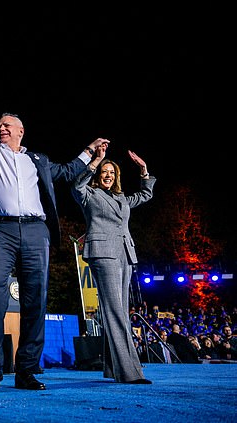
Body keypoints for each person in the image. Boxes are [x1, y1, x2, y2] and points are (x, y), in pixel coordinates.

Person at [0, 52, 109, 390]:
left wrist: (90, 152)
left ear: (21, 132)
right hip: (0, 229)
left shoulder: (37, 160)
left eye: (7, 125)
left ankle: (26, 370)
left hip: (36, 231)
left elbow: (68, 172)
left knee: (35, 298)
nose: (1, 127)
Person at [71, 146, 155, 383]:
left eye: (112, 172)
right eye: (104, 172)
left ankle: (111, 367)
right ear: (98, 175)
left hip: (125, 253)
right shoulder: (89, 194)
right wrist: (96, 160)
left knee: (121, 309)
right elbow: (77, 185)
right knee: (115, 310)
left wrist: (143, 170)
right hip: (103, 253)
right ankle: (128, 371)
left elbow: (145, 195)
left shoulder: (120, 198)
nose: (108, 175)